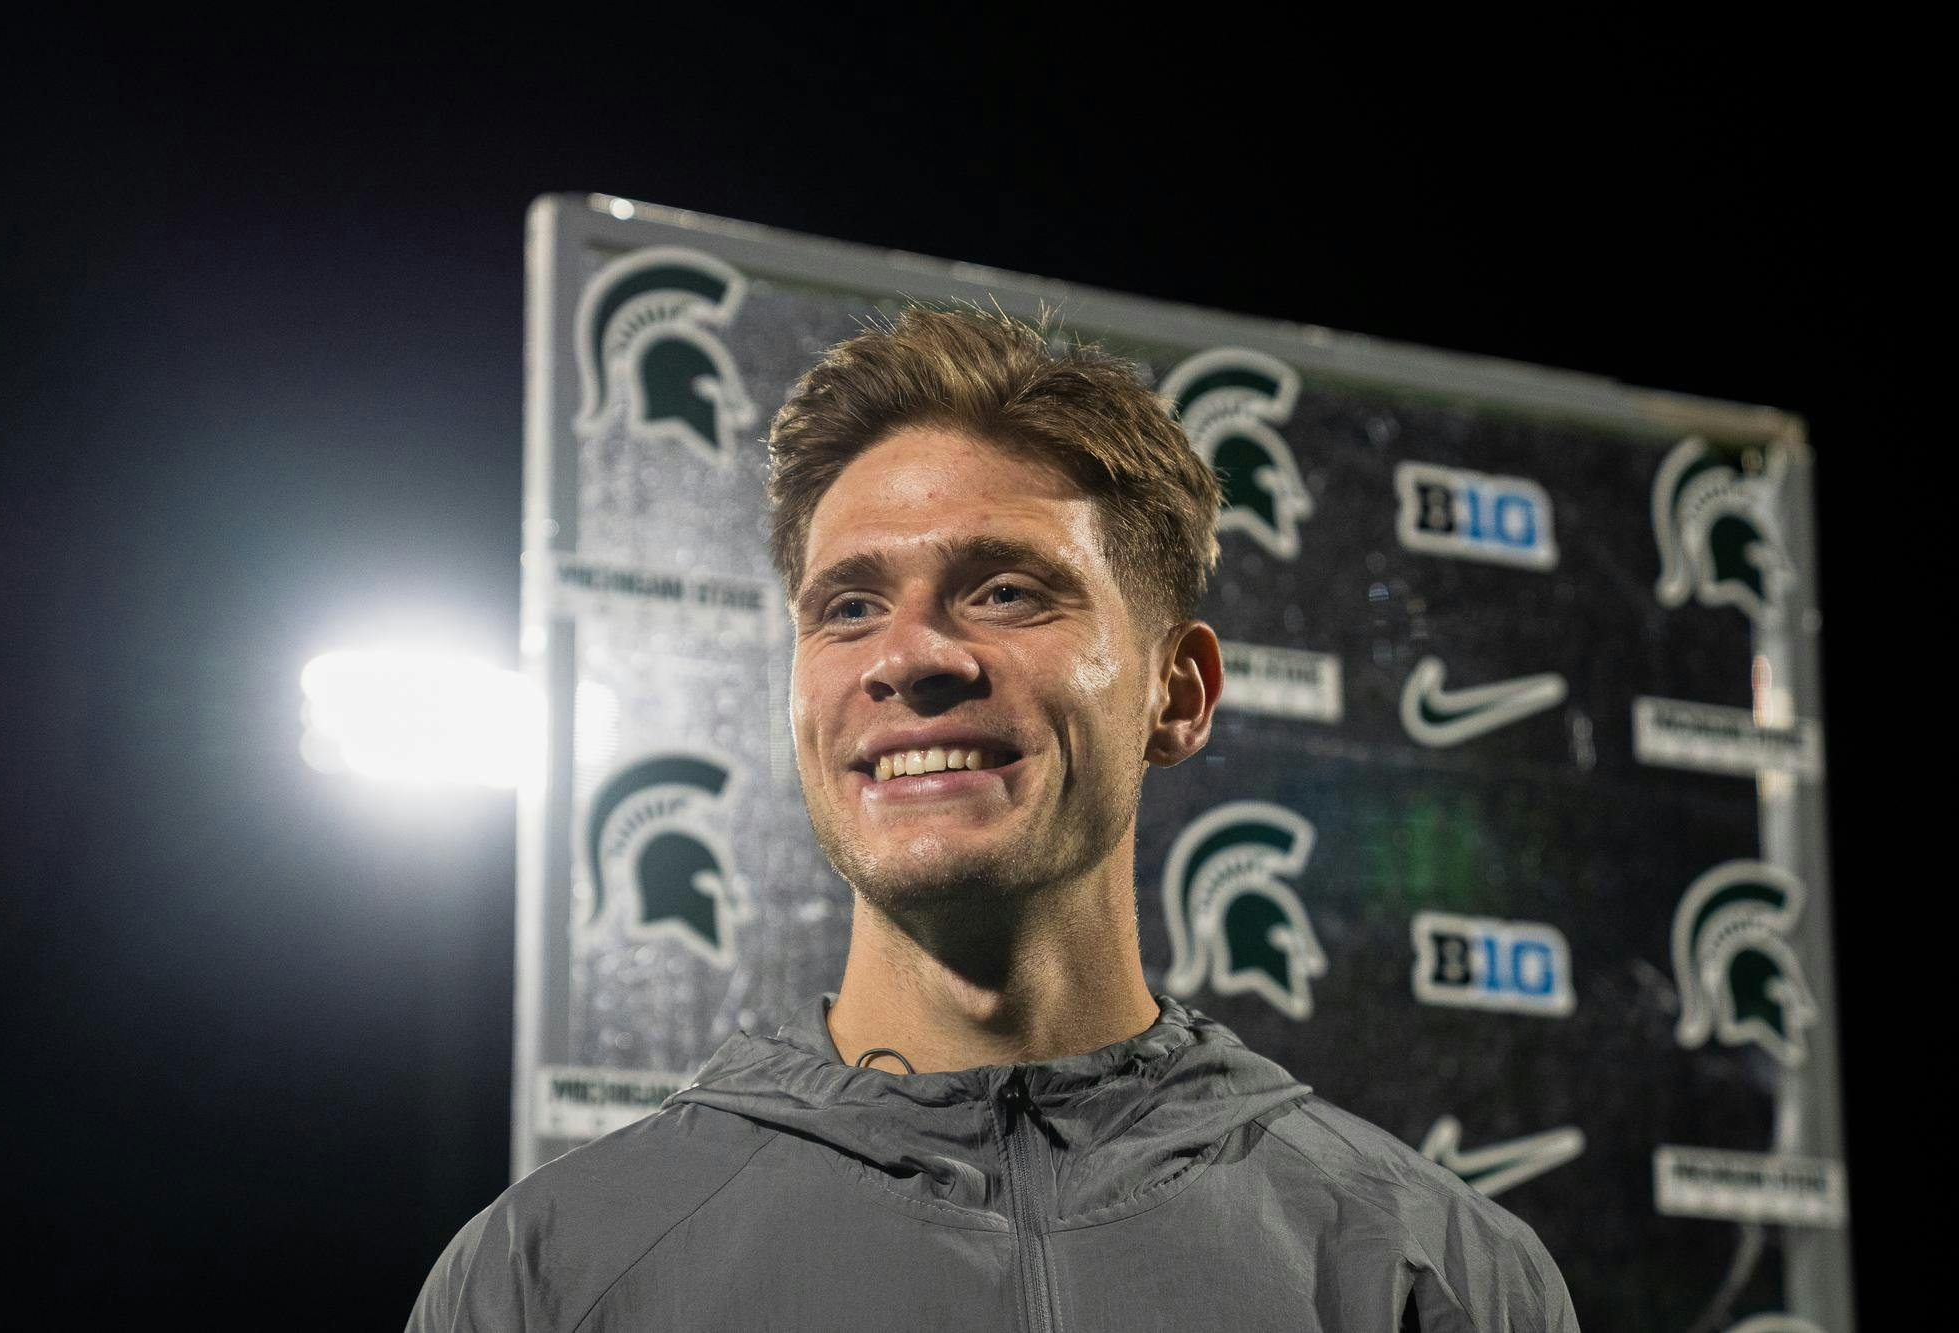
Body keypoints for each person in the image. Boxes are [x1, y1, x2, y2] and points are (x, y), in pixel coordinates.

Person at [408, 306, 1580, 1332]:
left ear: (1178, 692)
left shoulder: (1435, 1272)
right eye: (849, 605)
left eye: (1006, 589)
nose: (908, 655)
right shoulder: (551, 1273)